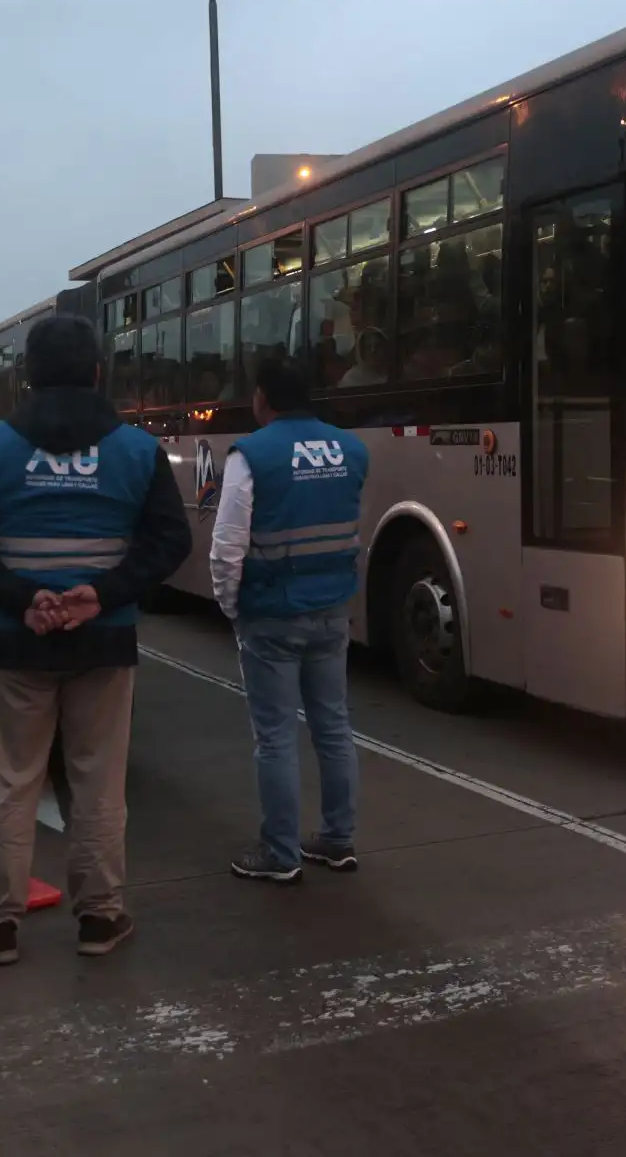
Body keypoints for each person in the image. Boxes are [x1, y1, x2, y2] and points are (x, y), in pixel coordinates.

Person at [0, 313, 190, 965]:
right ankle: (101, 919)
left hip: (16, 641)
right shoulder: (136, 450)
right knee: (98, 784)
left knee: (12, 784)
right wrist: (101, 594)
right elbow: (170, 542)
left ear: (26, 375)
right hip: (103, 641)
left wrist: (25, 597)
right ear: (99, 372)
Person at [210, 355, 370, 883]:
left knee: (276, 735)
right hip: (331, 610)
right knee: (333, 725)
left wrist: (231, 606)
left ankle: (280, 853)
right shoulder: (352, 448)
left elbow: (227, 544)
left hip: (272, 614)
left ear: (263, 398)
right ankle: (337, 839)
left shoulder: (252, 455)